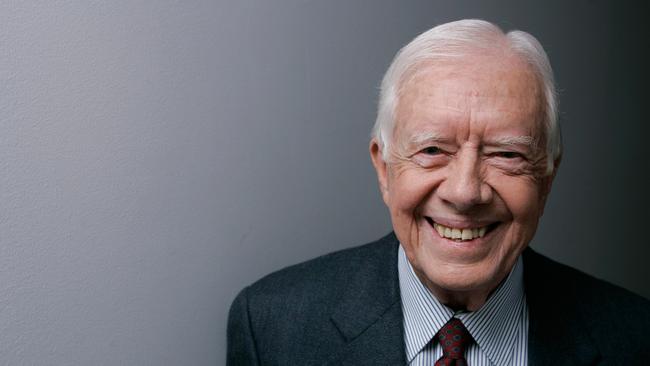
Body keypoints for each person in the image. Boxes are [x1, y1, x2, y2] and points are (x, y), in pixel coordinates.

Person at [227, 19, 650, 365]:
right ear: (384, 168)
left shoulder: (635, 337)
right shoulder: (272, 328)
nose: (466, 192)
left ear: (547, 178)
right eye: (432, 150)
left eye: (506, 154)